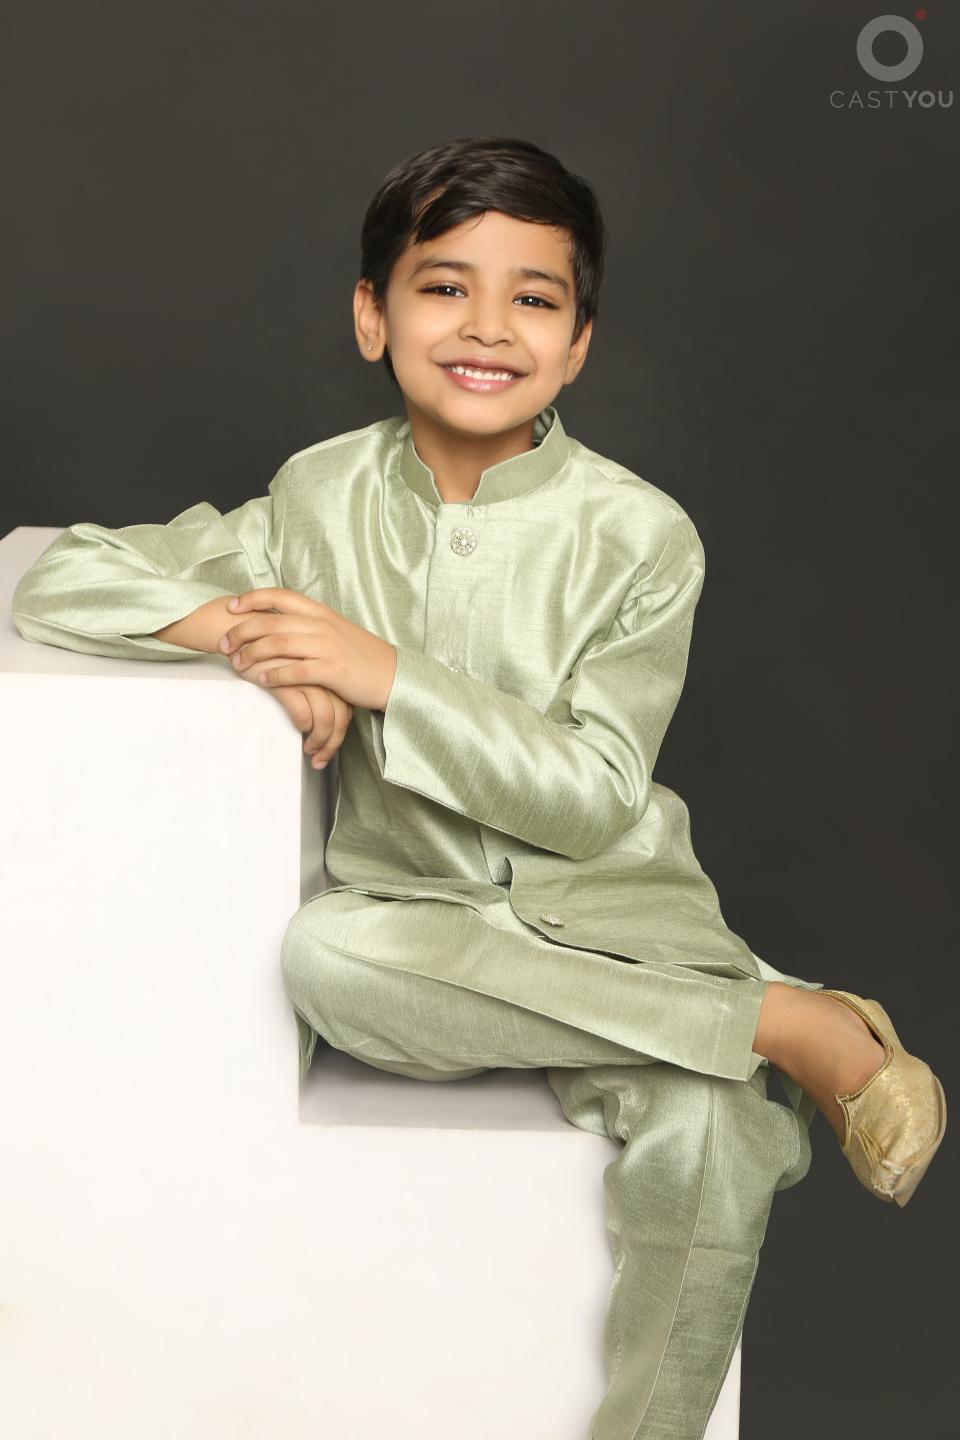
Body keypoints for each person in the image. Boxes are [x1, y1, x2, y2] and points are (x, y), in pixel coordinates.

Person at [11, 136, 947, 1440]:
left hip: (624, 927)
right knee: (329, 958)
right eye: (445, 286)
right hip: (424, 936)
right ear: (372, 315)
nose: (489, 327)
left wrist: (383, 672)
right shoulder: (317, 500)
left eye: (535, 298)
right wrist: (251, 634)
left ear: (578, 345)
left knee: (711, 1137)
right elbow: (60, 576)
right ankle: (779, 1022)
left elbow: (593, 798)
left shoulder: (641, 536)